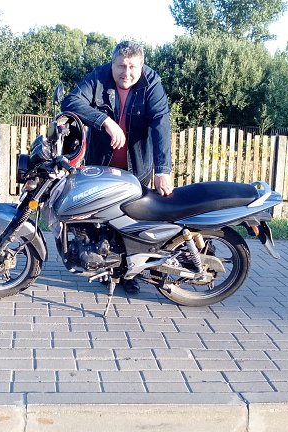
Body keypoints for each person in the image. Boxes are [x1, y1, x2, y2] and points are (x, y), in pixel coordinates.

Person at [61, 40, 173, 294]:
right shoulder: (99, 77)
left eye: (133, 67)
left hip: (137, 168)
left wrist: (162, 170)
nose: (127, 73)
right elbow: (70, 101)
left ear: (141, 66)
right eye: (121, 66)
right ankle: (104, 268)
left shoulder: (151, 84)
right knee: (99, 219)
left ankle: (130, 274)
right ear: (112, 64)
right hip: (101, 165)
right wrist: (105, 121)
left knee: (131, 222)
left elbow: (161, 124)